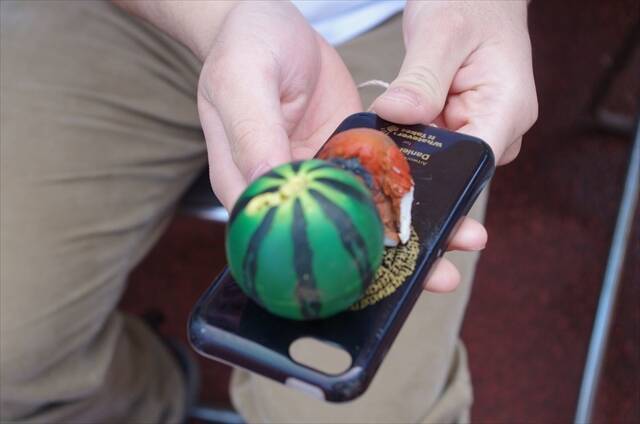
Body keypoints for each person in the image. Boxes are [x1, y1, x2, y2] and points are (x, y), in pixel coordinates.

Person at [0, 1, 537, 422]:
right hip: (130, 17)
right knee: (12, 358)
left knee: (357, 414)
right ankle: (154, 396)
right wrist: (223, 17)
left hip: (400, 31)